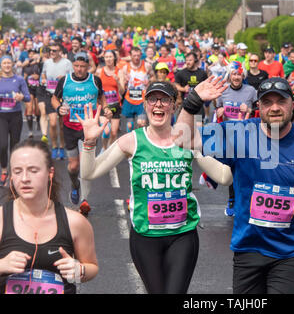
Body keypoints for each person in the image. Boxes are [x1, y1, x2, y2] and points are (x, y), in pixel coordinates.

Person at [175, 77, 294, 293]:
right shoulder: (238, 134)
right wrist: (193, 101)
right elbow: (181, 139)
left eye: (281, 101)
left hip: (290, 252)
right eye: (267, 102)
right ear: (259, 107)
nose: (274, 108)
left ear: (293, 104)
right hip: (248, 249)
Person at [78, 81, 232, 294]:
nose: (158, 104)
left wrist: (239, 152)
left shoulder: (186, 140)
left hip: (183, 234)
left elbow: (224, 177)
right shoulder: (131, 141)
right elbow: (89, 173)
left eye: (164, 99)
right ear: (145, 105)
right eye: (152, 99)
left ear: (173, 105)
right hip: (145, 236)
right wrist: (89, 143)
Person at [0, 139, 98, 294]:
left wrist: (80, 270)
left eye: (33, 170)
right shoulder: (1, 219)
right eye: (17, 171)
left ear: (50, 173)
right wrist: (2, 265)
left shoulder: (75, 222)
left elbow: (92, 266)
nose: (24, 178)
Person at [51, 51, 110, 217]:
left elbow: (102, 97)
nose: (79, 69)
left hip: (89, 128)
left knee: (86, 165)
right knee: (74, 166)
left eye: (82, 66)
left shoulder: (94, 80)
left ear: (87, 66)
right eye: (76, 66)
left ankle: (84, 200)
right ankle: (74, 184)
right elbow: (54, 98)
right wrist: (58, 108)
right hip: (70, 127)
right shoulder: (65, 80)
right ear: (73, 65)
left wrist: (105, 109)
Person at [215, 61, 257, 217]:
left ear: (243, 75)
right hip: (229, 136)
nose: (236, 77)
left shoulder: (251, 91)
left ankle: (249, 200)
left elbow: (260, 110)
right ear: (229, 75)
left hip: (248, 136)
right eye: (234, 74)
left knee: (248, 169)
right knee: (232, 170)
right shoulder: (223, 91)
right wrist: (218, 111)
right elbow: (217, 110)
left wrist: (251, 110)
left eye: (239, 74)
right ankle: (232, 200)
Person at [0, 55, 31, 187]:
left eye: (9, 63)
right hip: (1, 116)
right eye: (4, 63)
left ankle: (13, 171)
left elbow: (28, 97)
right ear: (1, 65)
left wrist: (21, 96)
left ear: (12, 64)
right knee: (2, 145)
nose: (7, 65)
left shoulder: (19, 79)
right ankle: (4, 170)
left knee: (14, 144)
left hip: (15, 116)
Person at [41, 43, 73, 160]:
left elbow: (72, 78)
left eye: (54, 51)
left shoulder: (67, 63)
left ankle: (62, 147)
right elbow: (43, 75)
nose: (52, 53)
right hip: (50, 95)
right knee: (53, 123)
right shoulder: (47, 63)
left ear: (60, 52)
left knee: (61, 124)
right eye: (50, 51)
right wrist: (43, 79)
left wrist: (64, 79)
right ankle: (54, 147)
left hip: (63, 96)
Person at [96, 50, 125, 151]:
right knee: (106, 131)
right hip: (104, 105)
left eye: (110, 57)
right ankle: (104, 149)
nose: (108, 59)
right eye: (106, 57)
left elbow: (122, 91)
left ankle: (109, 151)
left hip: (116, 105)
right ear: (104, 59)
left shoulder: (119, 71)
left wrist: (117, 81)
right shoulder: (100, 71)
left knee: (113, 133)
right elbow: (96, 89)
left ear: (114, 58)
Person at [122, 46, 152, 132]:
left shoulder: (146, 66)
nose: (136, 58)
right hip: (129, 99)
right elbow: (122, 85)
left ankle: (140, 141)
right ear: (130, 56)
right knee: (130, 126)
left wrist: (149, 81)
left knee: (141, 123)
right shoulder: (125, 67)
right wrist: (125, 81)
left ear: (141, 55)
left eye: (138, 55)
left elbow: (153, 77)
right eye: (134, 55)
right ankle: (130, 142)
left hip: (142, 100)